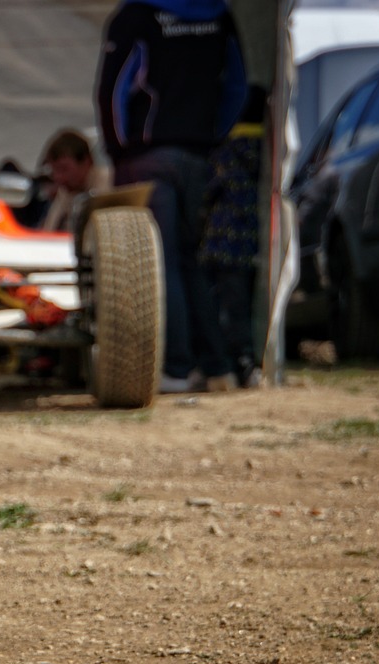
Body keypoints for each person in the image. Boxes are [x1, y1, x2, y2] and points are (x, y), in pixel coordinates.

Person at [96, 0, 247, 393]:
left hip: (148, 156)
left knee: (159, 263)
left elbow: (112, 91)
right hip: (197, 155)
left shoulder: (136, 14)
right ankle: (217, 367)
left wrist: (118, 150)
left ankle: (174, 369)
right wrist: (214, 137)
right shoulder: (219, 14)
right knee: (188, 260)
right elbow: (236, 86)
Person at [200, 86, 267, 388]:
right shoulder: (267, 153)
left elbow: (208, 191)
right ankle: (246, 364)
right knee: (243, 311)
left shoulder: (225, 152)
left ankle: (223, 365)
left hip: (218, 245)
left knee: (218, 311)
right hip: (248, 246)